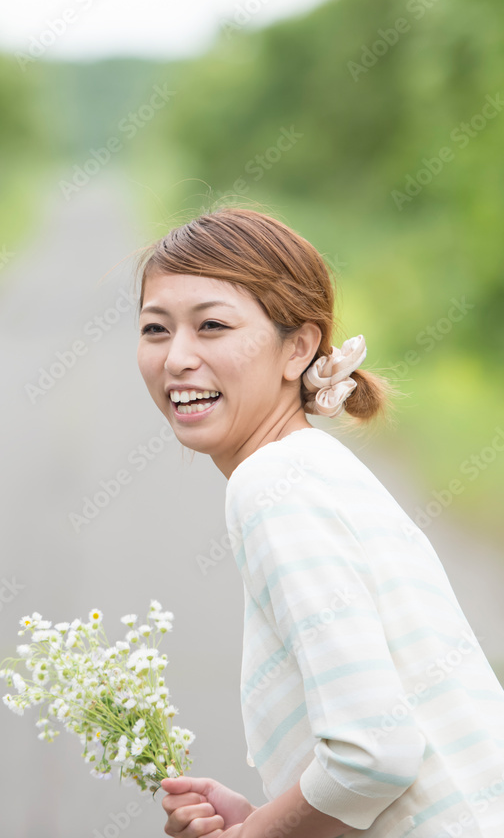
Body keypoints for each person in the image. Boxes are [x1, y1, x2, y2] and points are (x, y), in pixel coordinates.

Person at [134, 207, 504, 838]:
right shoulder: (314, 469)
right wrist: (267, 818)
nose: (178, 358)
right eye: (155, 329)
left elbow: (373, 755)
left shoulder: (272, 484)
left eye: (212, 325)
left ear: (298, 347)